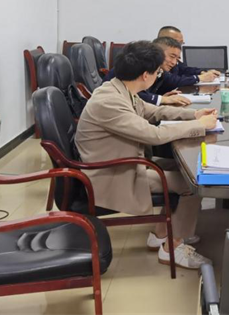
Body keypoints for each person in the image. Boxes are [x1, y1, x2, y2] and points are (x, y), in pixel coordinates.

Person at [75, 41, 218, 269]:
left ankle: (160, 235)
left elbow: (153, 111)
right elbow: (154, 134)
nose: (159, 76)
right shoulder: (110, 101)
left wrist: (194, 115)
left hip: (126, 161)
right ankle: (172, 249)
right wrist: (200, 126)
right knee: (193, 183)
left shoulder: (118, 88)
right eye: (158, 72)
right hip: (111, 174)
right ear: (145, 75)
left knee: (183, 169)